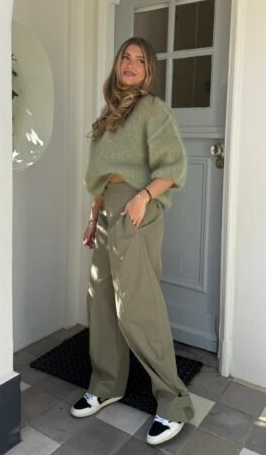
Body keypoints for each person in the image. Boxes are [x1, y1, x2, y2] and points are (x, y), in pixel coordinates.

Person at [70, 36, 195, 446]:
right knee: (102, 300)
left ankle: (174, 402)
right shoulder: (108, 116)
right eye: (125, 56)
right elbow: (102, 178)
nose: (130, 64)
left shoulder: (152, 110)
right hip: (108, 209)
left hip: (136, 209)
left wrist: (142, 198)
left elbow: (173, 166)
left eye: (140, 60)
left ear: (148, 70)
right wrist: (93, 218)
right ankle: (106, 384)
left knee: (139, 307)